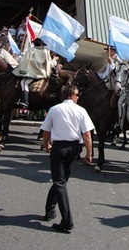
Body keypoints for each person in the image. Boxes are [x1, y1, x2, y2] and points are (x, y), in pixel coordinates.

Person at [41, 84, 95, 233]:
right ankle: (51, 211)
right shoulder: (81, 110)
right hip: (73, 149)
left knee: (59, 181)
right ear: (71, 95)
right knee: (61, 181)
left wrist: (47, 145)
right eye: (77, 95)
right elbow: (87, 135)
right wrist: (88, 154)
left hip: (58, 147)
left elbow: (45, 131)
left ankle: (66, 220)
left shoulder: (54, 109)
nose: (78, 97)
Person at [13, 38, 52, 109]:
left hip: (33, 72)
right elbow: (49, 63)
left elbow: (25, 60)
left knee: (23, 82)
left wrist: (21, 70)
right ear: (41, 44)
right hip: (42, 73)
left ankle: (25, 101)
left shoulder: (31, 50)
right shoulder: (45, 51)